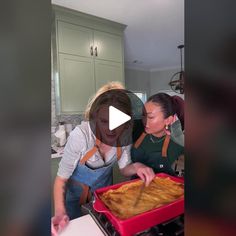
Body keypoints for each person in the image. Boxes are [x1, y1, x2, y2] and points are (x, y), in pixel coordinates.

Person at [51, 82, 155, 235]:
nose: (111, 130)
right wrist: (60, 212)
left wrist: (138, 166)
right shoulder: (81, 136)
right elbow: (61, 179)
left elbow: (125, 169)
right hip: (74, 199)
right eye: (104, 121)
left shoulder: (124, 136)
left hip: (105, 199)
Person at [131, 93, 184, 176]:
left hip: (166, 187)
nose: (144, 121)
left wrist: (180, 139)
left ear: (168, 120)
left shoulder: (178, 141)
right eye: (144, 115)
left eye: (151, 117)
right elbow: (125, 167)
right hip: (134, 187)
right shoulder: (137, 131)